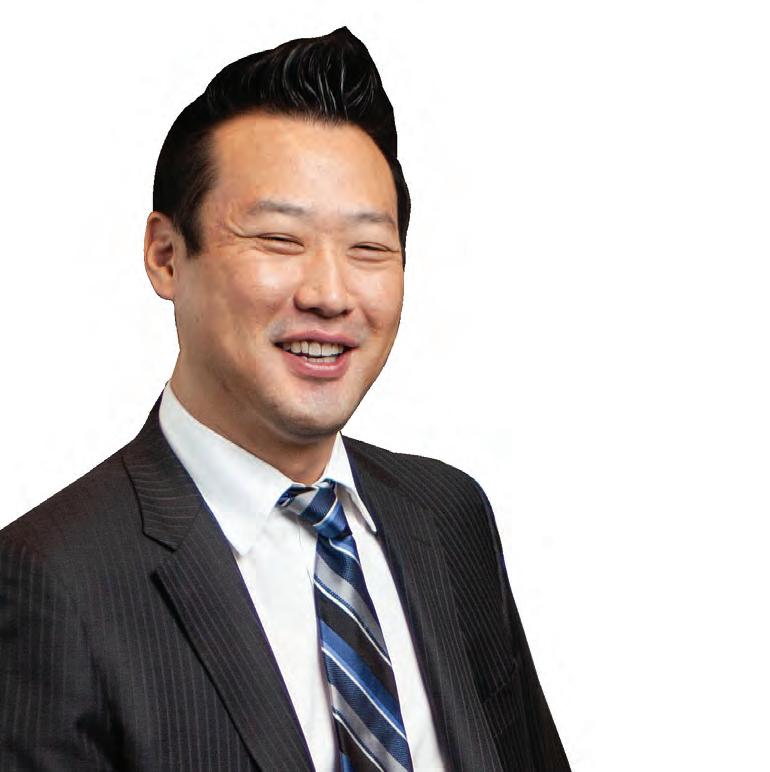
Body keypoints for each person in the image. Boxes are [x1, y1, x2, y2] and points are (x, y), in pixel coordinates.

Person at [0, 27, 570, 772]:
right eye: (278, 239)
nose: (330, 294)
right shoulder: (51, 579)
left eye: (369, 248)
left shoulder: (447, 517)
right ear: (166, 256)